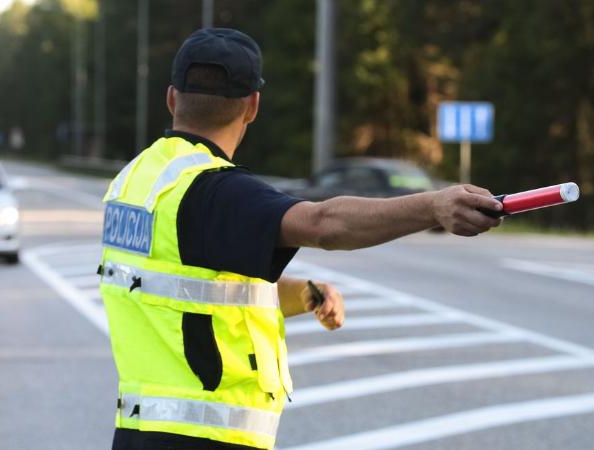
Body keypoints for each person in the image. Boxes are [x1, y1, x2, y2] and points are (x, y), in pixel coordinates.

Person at [99, 28, 503, 450]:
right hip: (206, 436)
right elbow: (321, 223)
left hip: (138, 433)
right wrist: (433, 206)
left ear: (170, 98)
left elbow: (181, 290)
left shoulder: (135, 183)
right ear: (252, 107)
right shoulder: (213, 191)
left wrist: (304, 295)